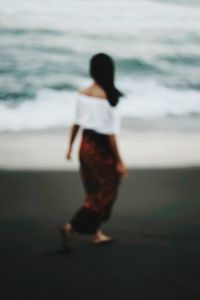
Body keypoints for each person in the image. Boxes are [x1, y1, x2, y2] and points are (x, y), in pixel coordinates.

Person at [59, 53, 128, 251]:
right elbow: (111, 135)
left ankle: (97, 233)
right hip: (101, 148)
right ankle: (71, 226)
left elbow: (76, 123)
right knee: (107, 189)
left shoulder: (82, 93)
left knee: (92, 189)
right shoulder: (107, 97)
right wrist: (120, 161)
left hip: (85, 145)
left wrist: (70, 148)